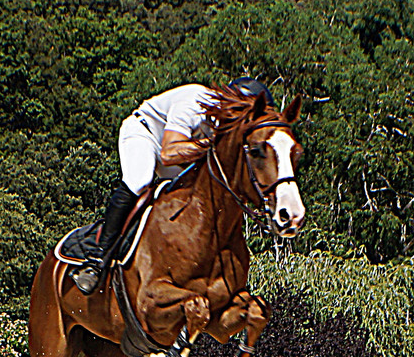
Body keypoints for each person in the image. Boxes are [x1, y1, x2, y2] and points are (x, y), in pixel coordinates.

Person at [74, 77, 276, 294]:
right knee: (139, 180)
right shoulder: (196, 101)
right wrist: (210, 145)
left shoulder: (224, 126)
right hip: (146, 134)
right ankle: (96, 260)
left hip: (177, 153)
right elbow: (169, 153)